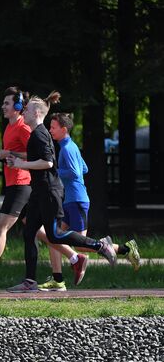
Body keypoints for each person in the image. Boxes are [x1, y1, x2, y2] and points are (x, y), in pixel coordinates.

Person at [0, 87, 86, 290]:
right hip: (18, 184)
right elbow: (16, 154)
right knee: (39, 232)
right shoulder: (9, 127)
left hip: (22, 184)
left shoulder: (23, 127)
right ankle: (74, 257)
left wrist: (9, 153)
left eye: (7, 103)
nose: (3, 106)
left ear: (18, 107)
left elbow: (37, 156)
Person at [6, 92, 119, 293]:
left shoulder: (40, 134)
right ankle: (29, 281)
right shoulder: (36, 134)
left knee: (55, 235)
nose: (24, 111)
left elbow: (49, 162)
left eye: (28, 109)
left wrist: (21, 164)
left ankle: (100, 246)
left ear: (37, 112)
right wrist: (12, 159)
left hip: (49, 192)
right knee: (29, 232)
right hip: (38, 192)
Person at [38, 113, 141, 292]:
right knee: (54, 237)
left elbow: (76, 172)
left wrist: (54, 171)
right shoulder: (71, 147)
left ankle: (125, 249)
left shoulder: (67, 149)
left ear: (64, 129)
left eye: (53, 127)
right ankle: (57, 279)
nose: (50, 130)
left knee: (79, 244)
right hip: (70, 200)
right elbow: (84, 168)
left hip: (77, 201)